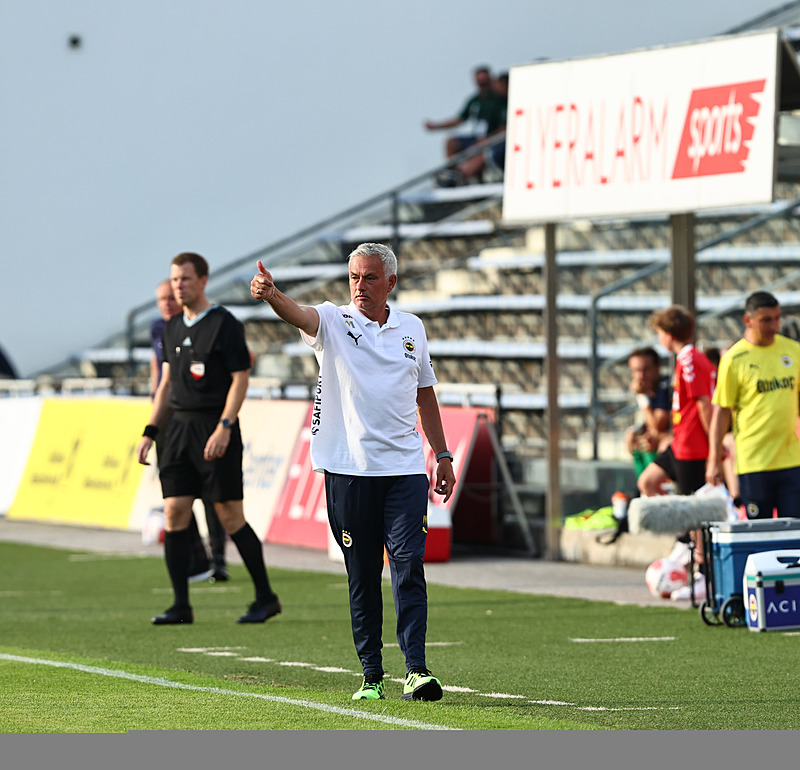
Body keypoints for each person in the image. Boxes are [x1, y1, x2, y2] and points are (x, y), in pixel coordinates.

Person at [250, 242, 456, 702]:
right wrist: (272, 296)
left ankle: (417, 670)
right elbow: (301, 315)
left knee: (408, 566)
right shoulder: (335, 321)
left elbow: (425, 393)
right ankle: (371, 675)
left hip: (404, 470)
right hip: (349, 471)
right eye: (354, 278)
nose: (360, 287)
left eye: (370, 278)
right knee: (362, 573)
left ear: (392, 283)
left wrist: (442, 455)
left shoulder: (412, 329)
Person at [137, 252, 280, 625]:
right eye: (174, 279)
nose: (178, 285)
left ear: (202, 280)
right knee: (174, 512)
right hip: (177, 431)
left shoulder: (223, 324)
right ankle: (181, 605)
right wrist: (150, 431)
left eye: (185, 278)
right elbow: (167, 383)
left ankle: (266, 597)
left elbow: (240, 378)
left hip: (214, 428)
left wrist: (225, 425)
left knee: (230, 515)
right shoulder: (170, 327)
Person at [151, 279, 229, 583]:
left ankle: (218, 559)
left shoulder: (205, 327)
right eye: (161, 299)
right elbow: (159, 372)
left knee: (211, 493)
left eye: (170, 297)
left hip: (197, 417)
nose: (167, 303)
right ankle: (196, 558)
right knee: (177, 494)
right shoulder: (160, 329)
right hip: (167, 420)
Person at [706, 291, 800, 519]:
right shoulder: (734, 359)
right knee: (762, 534)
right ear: (747, 321)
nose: (773, 326)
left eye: (777, 318)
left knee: (795, 532)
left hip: (791, 460)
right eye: (766, 320)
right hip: (753, 463)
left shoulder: (793, 351)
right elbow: (722, 411)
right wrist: (713, 459)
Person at [638, 306, 716, 498]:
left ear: (669, 335)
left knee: (692, 510)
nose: (659, 338)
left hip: (692, 446)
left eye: (659, 333)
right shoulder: (688, 358)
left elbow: (704, 404)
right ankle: (672, 527)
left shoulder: (690, 359)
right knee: (647, 482)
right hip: (679, 442)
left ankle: (683, 527)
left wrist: (713, 445)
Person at [424, 65, 507, 185]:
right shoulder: (475, 100)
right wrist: (437, 126)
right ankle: (452, 172)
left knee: (481, 152)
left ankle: (461, 177)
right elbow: (459, 119)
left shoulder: (500, 100)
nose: (482, 85)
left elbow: (504, 127)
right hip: (476, 138)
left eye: (485, 82)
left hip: (493, 140)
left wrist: (489, 139)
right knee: (452, 142)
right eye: (479, 82)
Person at [623, 347, 672, 479]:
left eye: (645, 369)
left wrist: (641, 397)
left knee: (658, 442)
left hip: (674, 440)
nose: (640, 376)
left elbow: (657, 424)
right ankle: (645, 490)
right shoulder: (648, 390)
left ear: (657, 368)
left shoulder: (665, 387)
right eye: (636, 371)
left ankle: (657, 489)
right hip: (660, 438)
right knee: (634, 437)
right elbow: (646, 424)